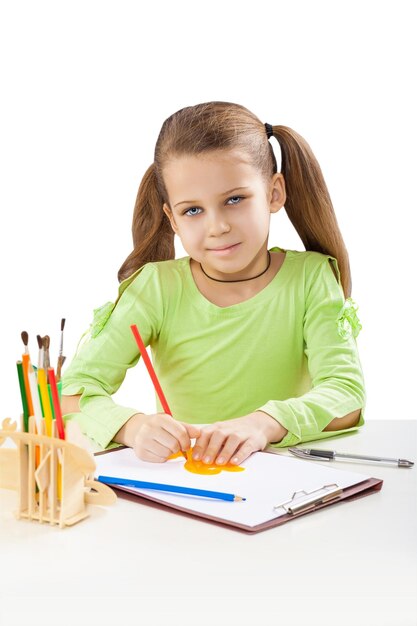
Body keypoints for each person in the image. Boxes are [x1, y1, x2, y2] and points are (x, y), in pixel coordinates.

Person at [61, 101, 365, 466]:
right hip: (187, 484)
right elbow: (70, 393)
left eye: (234, 199)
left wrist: (262, 425)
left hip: (284, 486)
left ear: (274, 192)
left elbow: (346, 395)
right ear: (172, 219)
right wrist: (133, 427)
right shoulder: (155, 288)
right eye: (193, 210)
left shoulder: (311, 278)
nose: (217, 226)